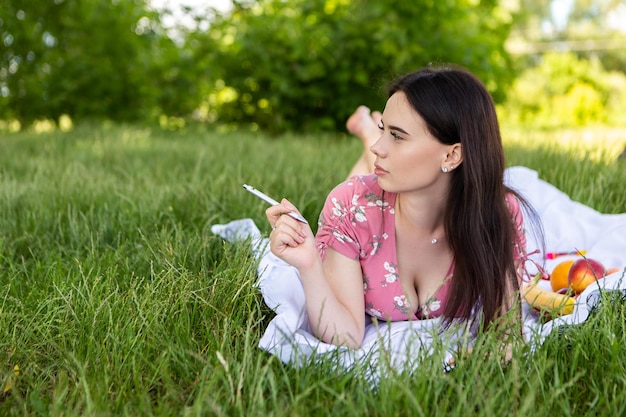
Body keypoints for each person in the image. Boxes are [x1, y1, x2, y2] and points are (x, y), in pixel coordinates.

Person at [265, 65, 538, 349]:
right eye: (385, 131)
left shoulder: (497, 213)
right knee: (365, 189)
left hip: (389, 193)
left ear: (452, 154)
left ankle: (369, 129)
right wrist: (309, 264)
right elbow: (345, 336)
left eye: (397, 135)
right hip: (366, 204)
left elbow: (507, 335)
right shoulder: (350, 206)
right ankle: (369, 131)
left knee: (378, 176)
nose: (379, 148)